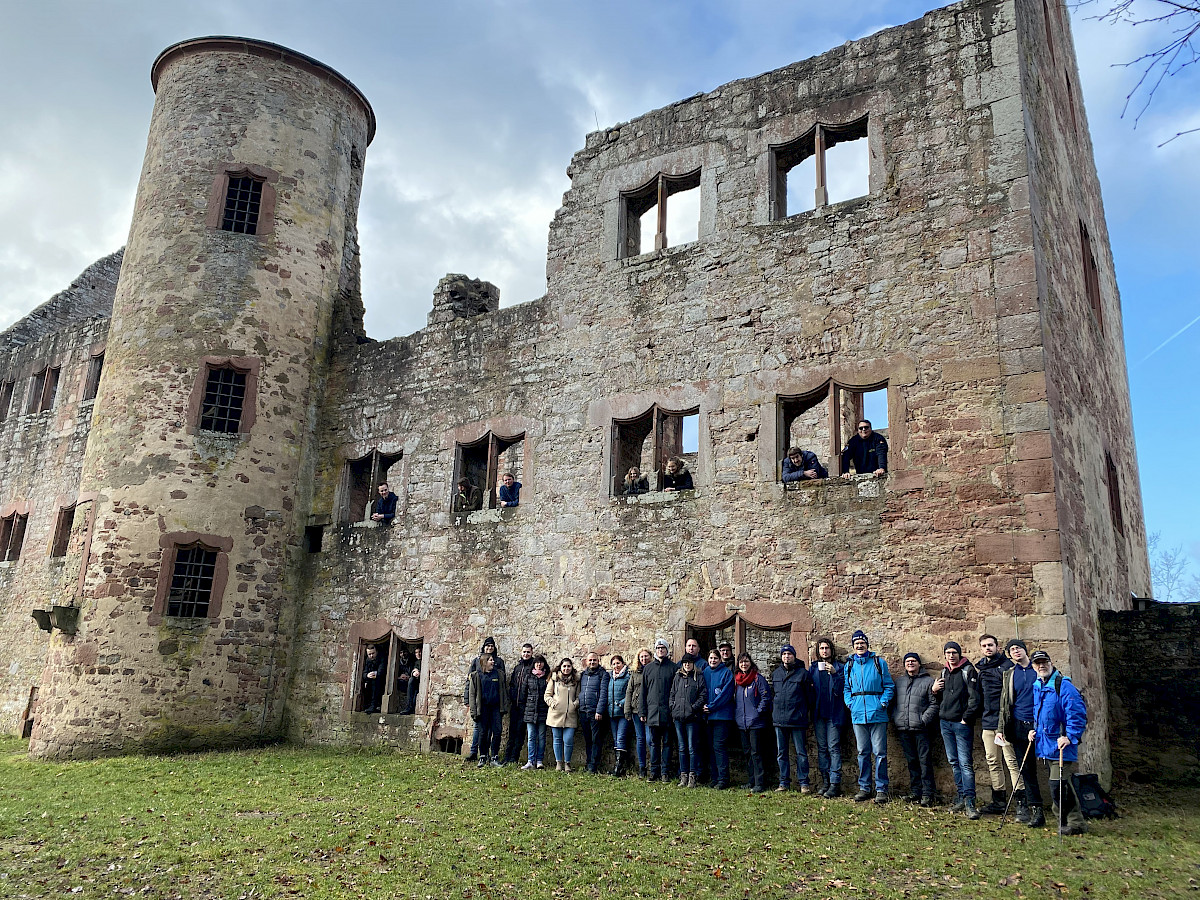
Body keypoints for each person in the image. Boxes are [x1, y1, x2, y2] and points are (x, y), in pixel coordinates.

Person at [1030, 649, 1088, 836]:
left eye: (1044, 662)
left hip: (1061, 745)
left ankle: (1072, 822)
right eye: (1038, 663)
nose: (1041, 666)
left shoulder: (1063, 685)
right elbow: (1041, 714)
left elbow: (1077, 714)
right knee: (1061, 785)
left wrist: (1070, 736)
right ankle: (1071, 821)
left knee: (1058, 785)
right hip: (1045, 745)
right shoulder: (1038, 685)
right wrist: (1034, 731)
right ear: (1033, 667)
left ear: (1051, 663)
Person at [932, 640, 983, 818]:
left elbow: (974, 699)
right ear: (945, 655)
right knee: (954, 762)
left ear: (959, 654)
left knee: (965, 763)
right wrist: (934, 691)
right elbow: (941, 698)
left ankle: (970, 802)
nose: (951, 655)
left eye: (954, 652)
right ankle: (961, 797)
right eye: (948, 653)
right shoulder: (944, 671)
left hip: (961, 724)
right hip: (945, 723)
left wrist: (965, 719)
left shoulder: (968, 671)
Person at [843, 630, 894, 803]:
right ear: (853, 646)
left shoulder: (879, 662)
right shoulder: (849, 665)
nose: (859, 646)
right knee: (862, 752)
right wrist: (850, 703)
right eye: (856, 643)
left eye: (862, 643)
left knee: (880, 752)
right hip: (858, 714)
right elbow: (846, 688)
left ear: (867, 644)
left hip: (877, 714)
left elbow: (888, 686)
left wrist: (882, 703)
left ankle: (881, 789)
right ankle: (864, 787)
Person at [999, 639, 1045, 826]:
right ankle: (1036, 810)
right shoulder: (1009, 674)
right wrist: (1001, 729)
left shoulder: (1038, 671)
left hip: (1041, 726)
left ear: (1025, 650)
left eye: (1018, 648)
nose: (1015, 651)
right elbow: (1004, 704)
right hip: (1019, 725)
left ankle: (1064, 810)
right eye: (1012, 650)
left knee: (1051, 767)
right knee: (1026, 769)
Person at [976, 633, 1021, 814]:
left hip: (1006, 722)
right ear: (981, 649)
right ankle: (999, 801)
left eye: (991, 645)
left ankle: (1021, 802)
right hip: (988, 722)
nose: (988, 648)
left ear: (997, 647)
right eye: (984, 646)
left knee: (1012, 761)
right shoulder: (981, 670)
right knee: (993, 761)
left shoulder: (1008, 667)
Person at [892, 651, 939, 806]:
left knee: (924, 761)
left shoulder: (928, 681)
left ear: (919, 664)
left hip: (921, 729)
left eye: (913, 661)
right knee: (911, 761)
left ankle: (927, 793)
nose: (910, 663)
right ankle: (915, 791)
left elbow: (934, 704)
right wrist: (896, 717)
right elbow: (894, 703)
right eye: (908, 661)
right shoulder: (899, 682)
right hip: (903, 728)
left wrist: (923, 720)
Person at [771, 643, 816, 793]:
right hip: (779, 719)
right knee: (781, 753)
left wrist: (804, 713)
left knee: (801, 752)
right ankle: (784, 782)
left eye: (789, 654)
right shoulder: (776, 673)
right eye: (784, 654)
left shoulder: (803, 674)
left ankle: (804, 783)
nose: (786, 656)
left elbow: (810, 697)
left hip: (797, 718)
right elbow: (773, 695)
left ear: (794, 656)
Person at [809, 637, 846, 797]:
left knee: (833, 748)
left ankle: (835, 783)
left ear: (831, 650)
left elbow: (843, 688)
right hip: (819, 714)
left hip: (834, 714)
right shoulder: (813, 668)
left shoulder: (840, 668)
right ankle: (825, 781)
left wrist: (835, 674)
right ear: (818, 651)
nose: (824, 651)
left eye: (827, 648)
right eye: (822, 648)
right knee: (822, 749)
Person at [734, 652, 771, 794]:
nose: (744, 664)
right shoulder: (737, 681)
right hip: (741, 723)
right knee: (747, 753)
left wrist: (757, 713)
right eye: (741, 662)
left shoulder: (757, 679)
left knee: (757, 753)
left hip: (756, 723)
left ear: (751, 663)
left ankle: (760, 782)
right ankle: (751, 780)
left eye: (746, 661)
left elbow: (765, 697)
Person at [640, 639, 677, 782]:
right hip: (652, 713)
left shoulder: (673, 668)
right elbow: (643, 692)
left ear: (667, 650)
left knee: (667, 744)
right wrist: (643, 712)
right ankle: (653, 771)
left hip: (668, 713)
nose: (660, 650)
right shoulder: (648, 669)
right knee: (654, 744)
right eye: (658, 648)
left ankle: (665, 772)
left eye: (663, 648)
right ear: (655, 650)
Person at [669, 653, 707, 787]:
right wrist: (673, 707)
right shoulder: (677, 677)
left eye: (689, 663)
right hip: (678, 717)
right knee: (682, 748)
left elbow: (703, 695)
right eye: (685, 663)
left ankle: (693, 776)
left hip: (692, 718)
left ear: (693, 664)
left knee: (692, 748)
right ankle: (683, 776)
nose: (687, 665)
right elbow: (672, 694)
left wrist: (693, 708)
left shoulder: (699, 677)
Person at [464, 637, 505, 761]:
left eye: (492, 646)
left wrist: (503, 705)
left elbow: (502, 688)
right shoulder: (476, 667)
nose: (490, 648)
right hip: (482, 705)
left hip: (495, 706)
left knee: (496, 731)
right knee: (481, 730)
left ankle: (493, 756)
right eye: (487, 646)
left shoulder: (499, 668)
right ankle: (477, 753)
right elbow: (470, 686)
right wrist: (469, 702)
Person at [703, 648, 734, 789]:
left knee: (719, 747)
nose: (713, 661)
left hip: (722, 716)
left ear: (720, 659)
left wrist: (712, 706)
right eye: (710, 658)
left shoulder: (727, 673)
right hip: (708, 717)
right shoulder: (705, 672)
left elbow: (725, 695)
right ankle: (714, 777)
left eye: (715, 658)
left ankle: (723, 779)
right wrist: (702, 706)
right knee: (709, 747)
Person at [503, 643, 537, 765]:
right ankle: (506, 756)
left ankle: (514, 757)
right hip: (515, 705)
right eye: (524, 652)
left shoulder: (533, 668)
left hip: (526, 706)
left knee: (520, 732)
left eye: (528, 652)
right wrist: (512, 697)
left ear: (532, 652)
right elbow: (512, 684)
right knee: (511, 732)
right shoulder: (518, 668)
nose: (526, 654)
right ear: (521, 653)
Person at [545, 657, 580, 772]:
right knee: (557, 739)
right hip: (556, 714)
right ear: (560, 667)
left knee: (568, 739)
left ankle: (567, 763)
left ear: (571, 667)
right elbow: (547, 695)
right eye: (564, 666)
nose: (566, 668)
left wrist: (575, 704)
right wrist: (553, 704)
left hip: (570, 715)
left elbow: (579, 696)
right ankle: (559, 763)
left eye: (568, 666)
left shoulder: (575, 680)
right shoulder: (554, 679)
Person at [578, 651, 611, 774]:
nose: (592, 662)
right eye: (590, 660)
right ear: (586, 662)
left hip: (595, 712)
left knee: (596, 739)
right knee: (587, 739)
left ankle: (593, 766)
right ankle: (588, 763)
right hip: (583, 711)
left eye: (594, 660)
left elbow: (603, 694)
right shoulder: (583, 675)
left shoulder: (603, 675)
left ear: (598, 661)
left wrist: (599, 710)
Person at [519, 655, 550, 770]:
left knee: (541, 737)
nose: (539, 664)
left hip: (543, 710)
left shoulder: (547, 677)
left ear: (544, 664)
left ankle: (539, 760)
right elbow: (523, 693)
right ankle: (530, 761)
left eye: (541, 662)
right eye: (537, 662)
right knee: (531, 736)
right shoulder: (528, 676)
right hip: (530, 710)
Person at [625, 649, 653, 777]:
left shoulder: (653, 670)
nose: (644, 659)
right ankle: (642, 767)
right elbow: (629, 691)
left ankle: (654, 766)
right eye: (641, 657)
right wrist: (627, 710)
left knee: (650, 739)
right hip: (636, 710)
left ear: (650, 657)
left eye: (646, 656)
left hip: (649, 710)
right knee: (640, 739)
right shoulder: (635, 673)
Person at [607, 655, 632, 775]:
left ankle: (618, 769)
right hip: (612, 713)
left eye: (618, 663)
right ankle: (620, 767)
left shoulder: (627, 676)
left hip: (622, 713)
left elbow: (629, 693)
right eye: (614, 664)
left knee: (621, 738)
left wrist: (620, 703)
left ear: (622, 663)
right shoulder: (610, 677)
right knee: (616, 739)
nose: (616, 666)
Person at [360, 644, 386, 714]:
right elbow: (364, 672)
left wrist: (375, 673)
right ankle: (367, 705)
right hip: (370, 680)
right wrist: (367, 675)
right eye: (369, 654)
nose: (371, 656)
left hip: (381, 681)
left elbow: (382, 671)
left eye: (373, 653)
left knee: (375, 683)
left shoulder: (382, 658)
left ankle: (374, 705)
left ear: (376, 652)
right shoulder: (368, 660)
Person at [403, 645, 422, 714]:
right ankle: (408, 707)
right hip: (416, 682)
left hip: (422, 683)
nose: (418, 654)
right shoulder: (416, 662)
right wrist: (414, 672)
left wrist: (419, 672)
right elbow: (414, 668)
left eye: (420, 652)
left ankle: (411, 708)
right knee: (411, 680)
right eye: (416, 652)